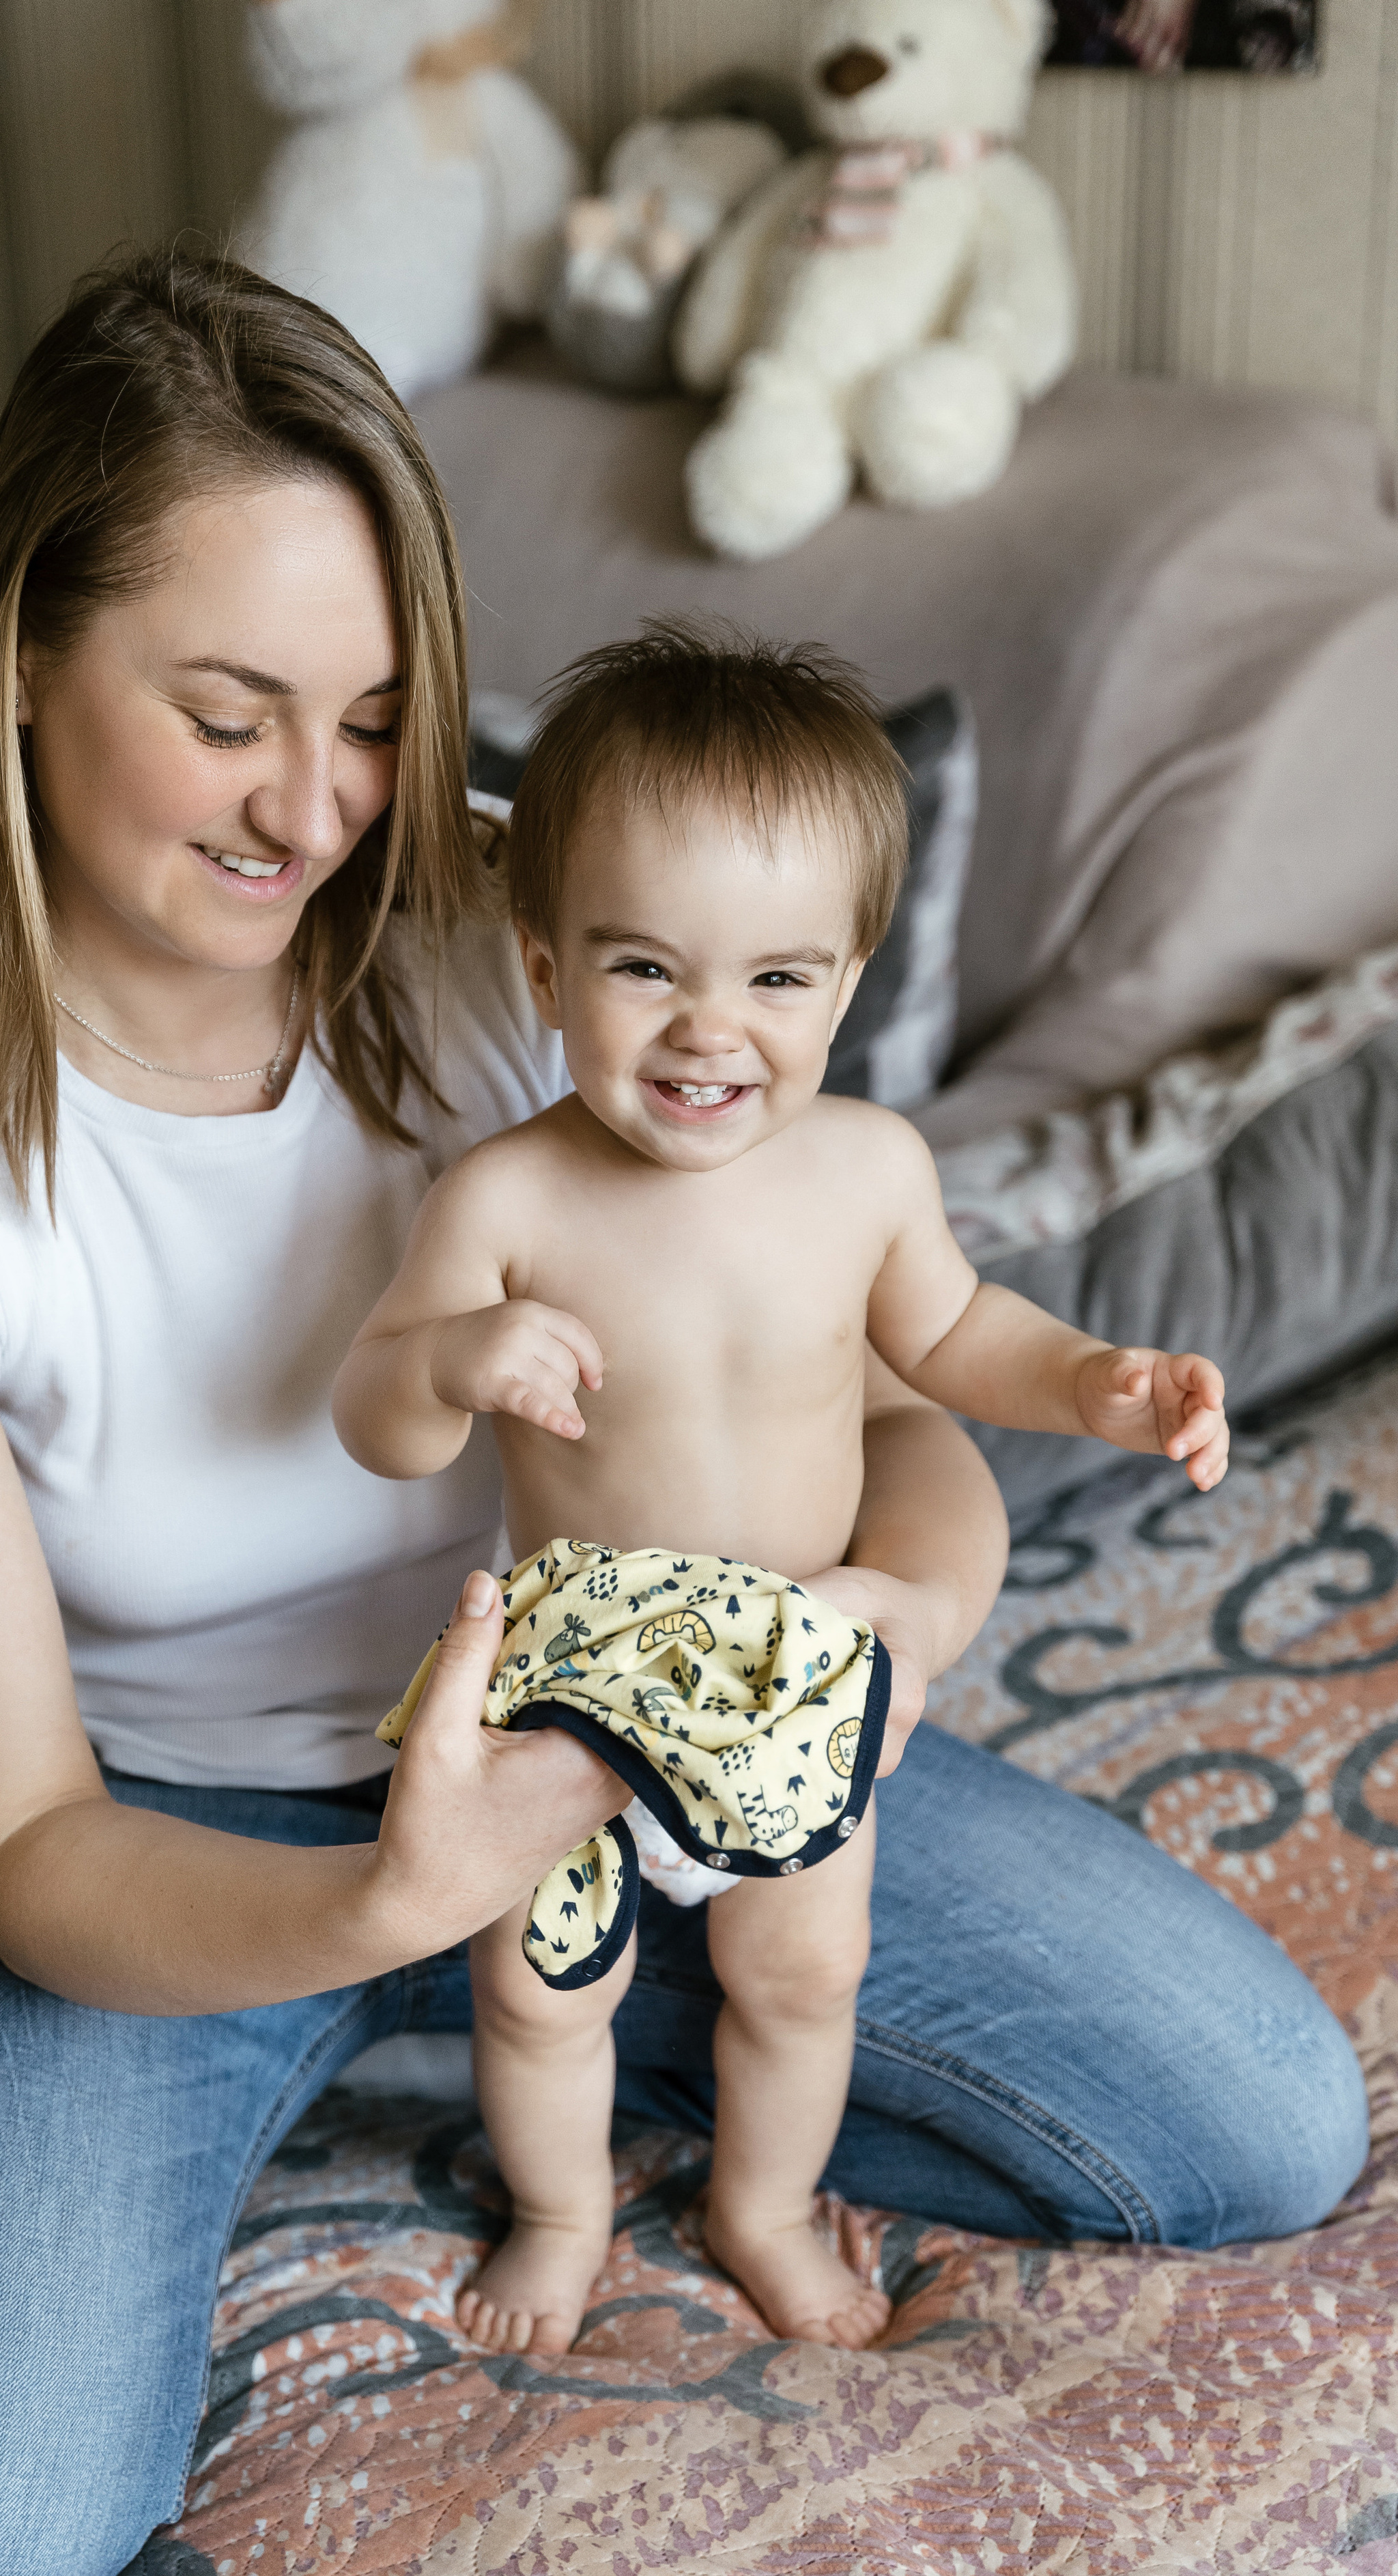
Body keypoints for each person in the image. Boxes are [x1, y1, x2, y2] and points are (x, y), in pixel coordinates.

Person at [0, 249, 1364, 2576]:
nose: (319, 808)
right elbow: (27, 1834)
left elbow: (881, 1387)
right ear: (18, 661)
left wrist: (910, 1616)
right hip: (152, 1834)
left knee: (1250, 2126)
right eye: (230, 710)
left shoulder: (534, 945)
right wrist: (394, 1889)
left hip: (641, 1719)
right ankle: (214, 2064)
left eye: (379, 718)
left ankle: (547, 2043)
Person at [333, 625, 1233, 2358]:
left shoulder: (865, 1172)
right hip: (578, 1687)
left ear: (848, 979)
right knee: (536, 1994)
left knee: (802, 1973)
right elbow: (379, 1415)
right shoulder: (506, 1199)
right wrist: (456, 1362)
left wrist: (1096, 1386)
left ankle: (753, 2201)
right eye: (641, 969)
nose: (704, 1033)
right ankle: (561, 2208)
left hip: (798, 1670)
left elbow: (960, 1338)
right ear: (540, 967)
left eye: (772, 980)